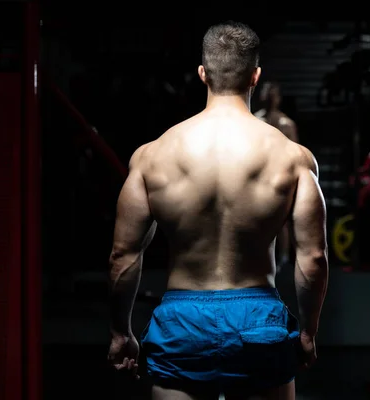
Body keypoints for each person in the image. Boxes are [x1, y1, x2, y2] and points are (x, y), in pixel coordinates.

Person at [106, 21, 329, 400]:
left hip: (182, 319)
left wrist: (120, 331)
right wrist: (308, 331)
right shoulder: (292, 158)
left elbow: (123, 255)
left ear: (202, 74)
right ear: (255, 76)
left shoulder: (152, 156)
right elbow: (314, 256)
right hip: (257, 318)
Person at [254, 81, 299, 271]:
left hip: (279, 176)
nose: (270, 98)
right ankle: (260, 257)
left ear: (279, 98)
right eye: (267, 94)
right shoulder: (255, 121)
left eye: (274, 94)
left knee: (282, 220)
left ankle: (283, 257)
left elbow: (296, 153)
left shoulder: (286, 124)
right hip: (258, 175)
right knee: (258, 218)